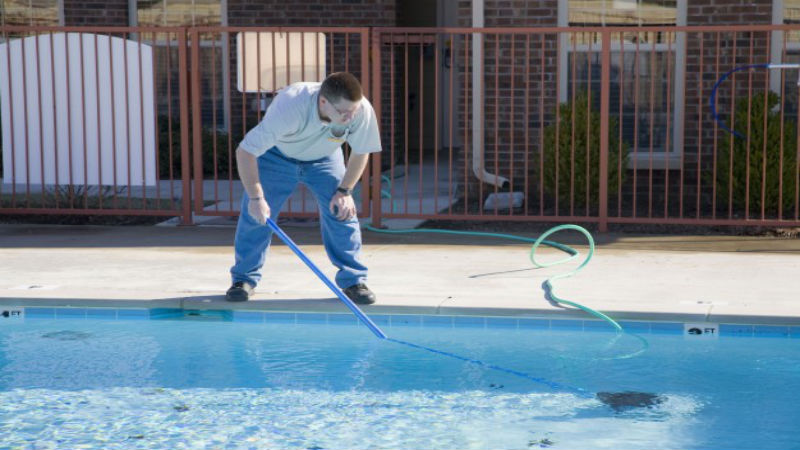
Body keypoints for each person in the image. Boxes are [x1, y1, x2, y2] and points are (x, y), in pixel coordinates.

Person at [226, 72, 381, 305]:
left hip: (325, 157)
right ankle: (244, 279)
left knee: (342, 211)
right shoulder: (290, 105)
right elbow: (245, 151)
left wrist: (345, 191)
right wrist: (256, 198)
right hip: (277, 156)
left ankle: (353, 281)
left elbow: (361, 151)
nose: (350, 118)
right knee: (256, 215)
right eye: (343, 113)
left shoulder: (360, 110)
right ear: (323, 102)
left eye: (353, 111)